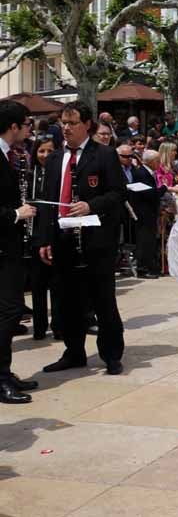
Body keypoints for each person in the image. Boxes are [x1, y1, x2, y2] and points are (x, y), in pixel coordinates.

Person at [38, 101, 127, 376]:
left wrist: (92, 205)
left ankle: (111, 354)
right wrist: (44, 239)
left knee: (103, 300)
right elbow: (47, 203)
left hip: (96, 241)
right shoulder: (55, 158)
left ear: (86, 125)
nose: (66, 128)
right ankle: (74, 351)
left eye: (72, 123)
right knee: (67, 301)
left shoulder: (104, 154)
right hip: (64, 240)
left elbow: (117, 193)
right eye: (63, 123)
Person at [0, 100, 39, 403]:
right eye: (26, 124)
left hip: (9, 246)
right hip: (2, 247)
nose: (29, 130)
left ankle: (4, 371)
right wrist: (16, 214)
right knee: (9, 311)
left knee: (11, 311)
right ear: (13, 127)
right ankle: (0, 378)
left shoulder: (8, 155)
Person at [27, 136, 58, 339]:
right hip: (35, 234)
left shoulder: (59, 173)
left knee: (56, 285)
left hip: (55, 233)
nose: (45, 155)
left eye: (49, 151)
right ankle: (39, 327)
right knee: (38, 285)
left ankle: (59, 326)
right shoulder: (30, 175)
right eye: (41, 151)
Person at [131, 150, 172, 279]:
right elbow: (149, 193)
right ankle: (142, 268)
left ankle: (149, 266)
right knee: (144, 241)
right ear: (151, 161)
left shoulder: (149, 173)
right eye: (157, 161)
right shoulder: (141, 173)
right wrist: (164, 187)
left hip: (150, 212)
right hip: (143, 213)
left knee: (149, 241)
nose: (159, 164)